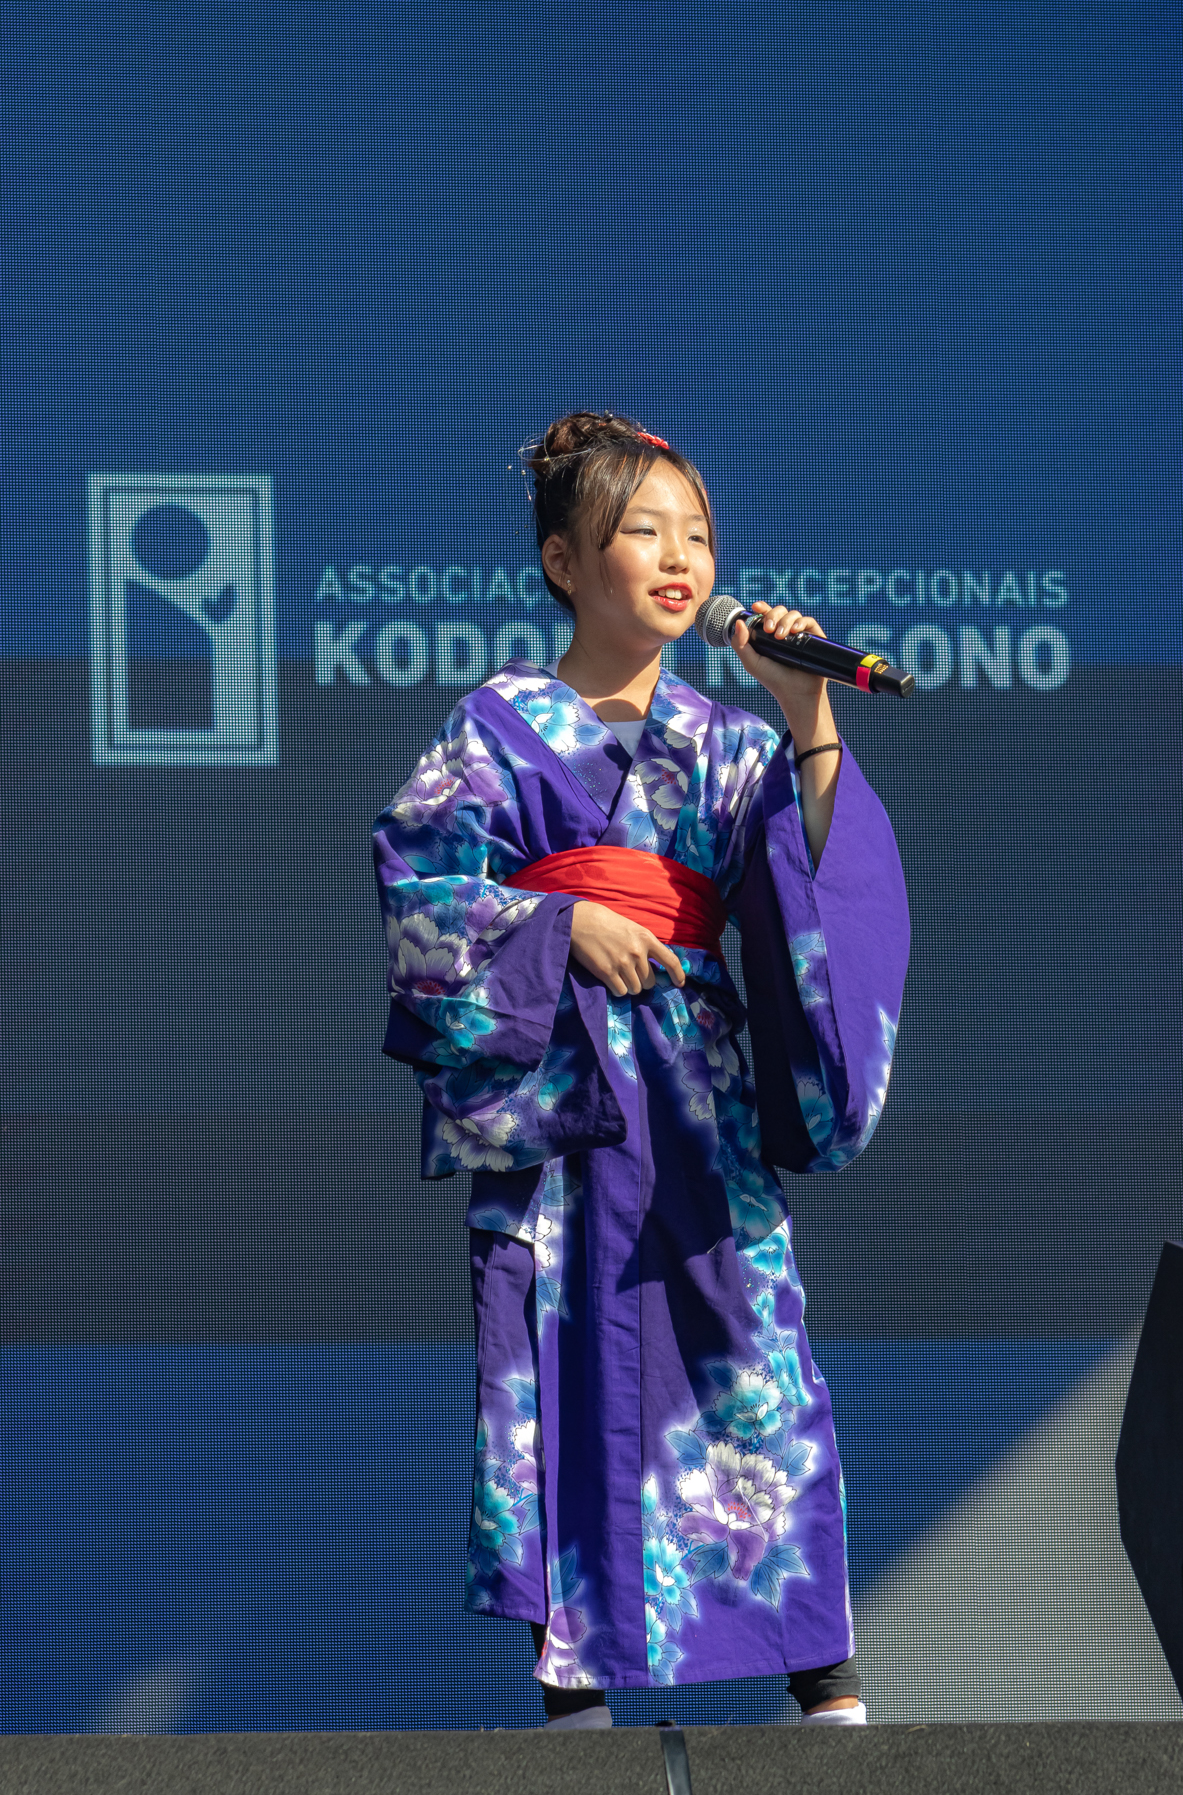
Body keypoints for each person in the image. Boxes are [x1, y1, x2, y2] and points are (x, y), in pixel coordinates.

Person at [373, 411, 909, 1728]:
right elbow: (420, 895)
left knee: (754, 1367)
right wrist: (559, 925)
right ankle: (582, 1718)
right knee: (566, 1382)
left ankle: (830, 1700)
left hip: (698, 1117)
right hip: (565, 1119)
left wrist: (806, 710)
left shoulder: (731, 743)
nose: (679, 558)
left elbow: (815, 899)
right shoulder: (495, 729)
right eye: (642, 531)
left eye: (697, 536)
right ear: (563, 561)